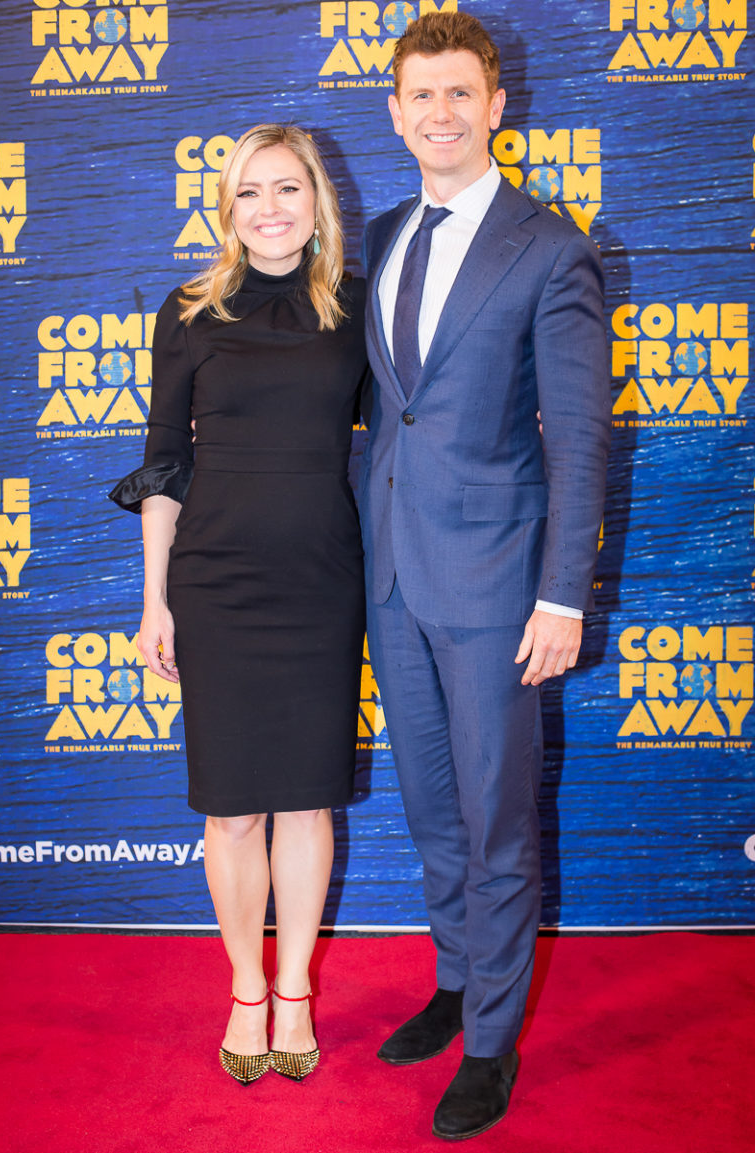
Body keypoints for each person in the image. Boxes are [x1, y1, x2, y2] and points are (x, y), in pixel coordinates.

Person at [360, 11, 610, 1140]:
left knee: (497, 817)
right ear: (396, 112)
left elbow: (581, 436)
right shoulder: (381, 234)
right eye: (421, 95)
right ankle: (459, 981)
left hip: (500, 586)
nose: (441, 113)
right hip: (394, 577)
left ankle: (494, 1042)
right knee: (431, 806)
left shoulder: (550, 248)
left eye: (460, 92)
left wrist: (562, 594)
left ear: (497, 106)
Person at [110, 124, 367, 1085]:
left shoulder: (355, 307)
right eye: (249, 192)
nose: (270, 208)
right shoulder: (188, 311)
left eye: (287, 188)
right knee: (230, 810)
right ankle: (246, 988)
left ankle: (295, 988)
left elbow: (407, 428)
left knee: (305, 800)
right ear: (227, 209)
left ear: (316, 201)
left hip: (320, 580)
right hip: (214, 581)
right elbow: (163, 464)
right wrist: (155, 599)